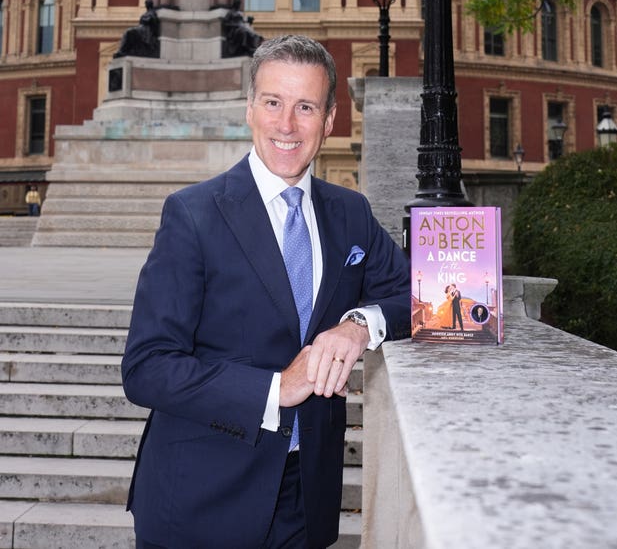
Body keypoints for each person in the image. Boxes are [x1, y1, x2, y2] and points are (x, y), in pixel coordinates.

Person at [122, 35, 410, 549]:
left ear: (329, 120)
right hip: (200, 501)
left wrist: (358, 326)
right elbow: (147, 367)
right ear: (250, 109)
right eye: (273, 103)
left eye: (305, 107)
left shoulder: (351, 213)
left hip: (307, 500)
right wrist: (278, 388)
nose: (287, 124)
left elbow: (419, 294)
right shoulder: (193, 214)